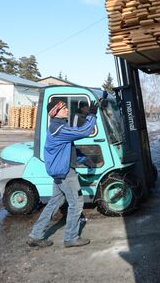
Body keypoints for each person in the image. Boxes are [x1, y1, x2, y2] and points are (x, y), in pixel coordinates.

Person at [27, 99, 98, 248]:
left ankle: (35, 235)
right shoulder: (58, 129)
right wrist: (92, 114)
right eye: (64, 108)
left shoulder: (59, 127)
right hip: (65, 174)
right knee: (76, 203)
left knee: (55, 202)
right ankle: (71, 238)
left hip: (60, 172)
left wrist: (85, 159)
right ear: (56, 112)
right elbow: (83, 131)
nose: (67, 110)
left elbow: (68, 150)